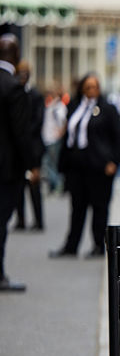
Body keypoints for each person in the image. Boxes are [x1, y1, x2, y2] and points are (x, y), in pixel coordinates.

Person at [48, 73, 120, 259]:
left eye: (95, 87)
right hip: (77, 165)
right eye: (88, 87)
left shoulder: (107, 109)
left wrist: (114, 161)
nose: (91, 90)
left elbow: (118, 138)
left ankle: (99, 244)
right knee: (77, 207)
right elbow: (68, 134)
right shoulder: (74, 106)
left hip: (99, 165)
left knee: (99, 207)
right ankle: (71, 245)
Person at [0, 34, 37, 292]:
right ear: (16, 56)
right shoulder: (13, 87)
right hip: (5, 169)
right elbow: (21, 133)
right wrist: (32, 165)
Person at [12, 61, 45, 231]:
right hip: (19, 148)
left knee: (34, 185)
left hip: (33, 147)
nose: (23, 75)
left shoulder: (35, 95)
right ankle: (21, 219)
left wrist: (23, 132)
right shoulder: (14, 93)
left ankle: (39, 220)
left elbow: (38, 121)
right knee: (18, 186)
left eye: (25, 72)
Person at [41, 83, 68, 194]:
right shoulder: (51, 105)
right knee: (49, 163)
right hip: (47, 138)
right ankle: (53, 185)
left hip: (53, 139)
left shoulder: (59, 106)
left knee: (50, 164)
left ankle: (58, 184)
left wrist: (60, 134)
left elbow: (63, 122)